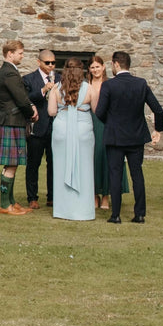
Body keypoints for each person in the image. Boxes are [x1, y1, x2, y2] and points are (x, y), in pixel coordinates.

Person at [94, 50, 163, 224]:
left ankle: (115, 214)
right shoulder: (140, 83)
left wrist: (110, 122)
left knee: (115, 174)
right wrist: (158, 130)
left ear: (116, 64)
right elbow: (158, 109)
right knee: (137, 174)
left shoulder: (109, 85)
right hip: (136, 136)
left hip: (115, 136)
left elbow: (100, 112)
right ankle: (140, 214)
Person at [0, 41, 36, 216]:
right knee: (11, 164)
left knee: (13, 163)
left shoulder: (9, 71)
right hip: (11, 121)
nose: (22, 56)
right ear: (10, 53)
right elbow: (21, 98)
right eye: (20, 53)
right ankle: (5, 205)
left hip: (13, 121)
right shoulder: (9, 72)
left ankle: (10, 201)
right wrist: (31, 111)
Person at [48, 58, 96, 221]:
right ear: (81, 71)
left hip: (62, 129)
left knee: (60, 167)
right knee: (84, 167)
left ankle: (63, 210)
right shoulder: (89, 88)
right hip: (82, 129)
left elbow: (52, 111)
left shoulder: (56, 88)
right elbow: (96, 110)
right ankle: (83, 210)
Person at [89, 55, 127, 208]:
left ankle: (106, 195)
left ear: (103, 67)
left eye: (97, 66)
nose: (95, 70)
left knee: (106, 156)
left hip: (107, 123)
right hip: (90, 122)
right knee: (92, 157)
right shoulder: (86, 84)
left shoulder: (111, 83)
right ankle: (94, 194)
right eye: (92, 67)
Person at [23, 49, 56, 209]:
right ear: (39, 62)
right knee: (33, 164)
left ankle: (52, 197)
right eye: (47, 62)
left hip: (55, 128)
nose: (51, 66)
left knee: (54, 164)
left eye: (53, 63)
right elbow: (25, 99)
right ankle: (32, 197)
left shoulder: (60, 78)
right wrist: (43, 90)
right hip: (37, 128)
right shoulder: (29, 79)